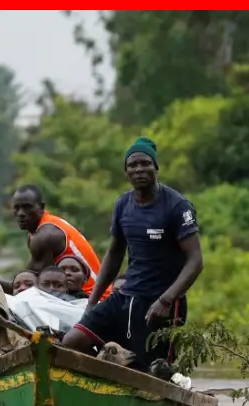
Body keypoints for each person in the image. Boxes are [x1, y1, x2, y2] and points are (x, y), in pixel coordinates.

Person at [62, 137, 204, 373]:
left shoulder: (177, 206)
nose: (139, 169)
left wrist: (165, 300)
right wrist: (92, 301)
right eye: (133, 165)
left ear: (156, 168)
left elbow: (195, 261)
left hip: (161, 303)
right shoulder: (123, 205)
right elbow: (114, 254)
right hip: (125, 296)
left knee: (151, 372)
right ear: (126, 172)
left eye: (145, 163)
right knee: (72, 342)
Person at [0, 185, 111, 300]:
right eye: (16, 208)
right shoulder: (41, 231)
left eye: (27, 207)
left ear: (41, 208)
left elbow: (24, 290)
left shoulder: (45, 236)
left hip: (94, 301)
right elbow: (23, 287)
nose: (20, 213)